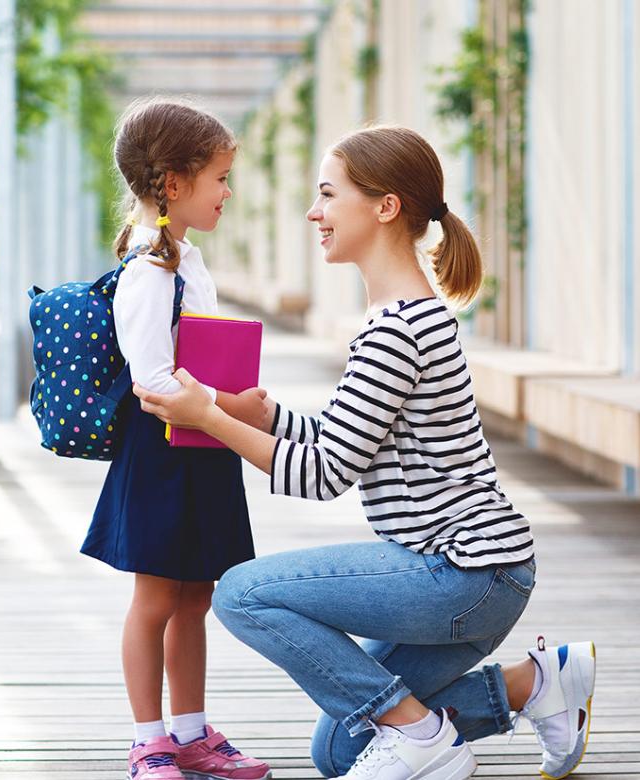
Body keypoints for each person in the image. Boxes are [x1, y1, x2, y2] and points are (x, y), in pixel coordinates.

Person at [132, 125, 597, 780]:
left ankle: (417, 733)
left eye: (327, 195)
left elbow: (323, 474)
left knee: (241, 593)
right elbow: (348, 437)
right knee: (340, 750)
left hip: (461, 573)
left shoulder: (396, 330)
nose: (313, 212)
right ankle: (535, 686)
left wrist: (206, 416)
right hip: (482, 575)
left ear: (385, 207)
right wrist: (265, 416)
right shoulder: (407, 317)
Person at [82, 98, 271, 780]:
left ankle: (191, 733)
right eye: (219, 176)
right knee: (156, 599)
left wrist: (227, 407)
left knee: (196, 596)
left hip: (199, 449)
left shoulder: (185, 259)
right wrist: (233, 405)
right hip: (163, 452)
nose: (227, 191)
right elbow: (153, 382)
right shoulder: (149, 271)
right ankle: (147, 739)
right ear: (173, 184)